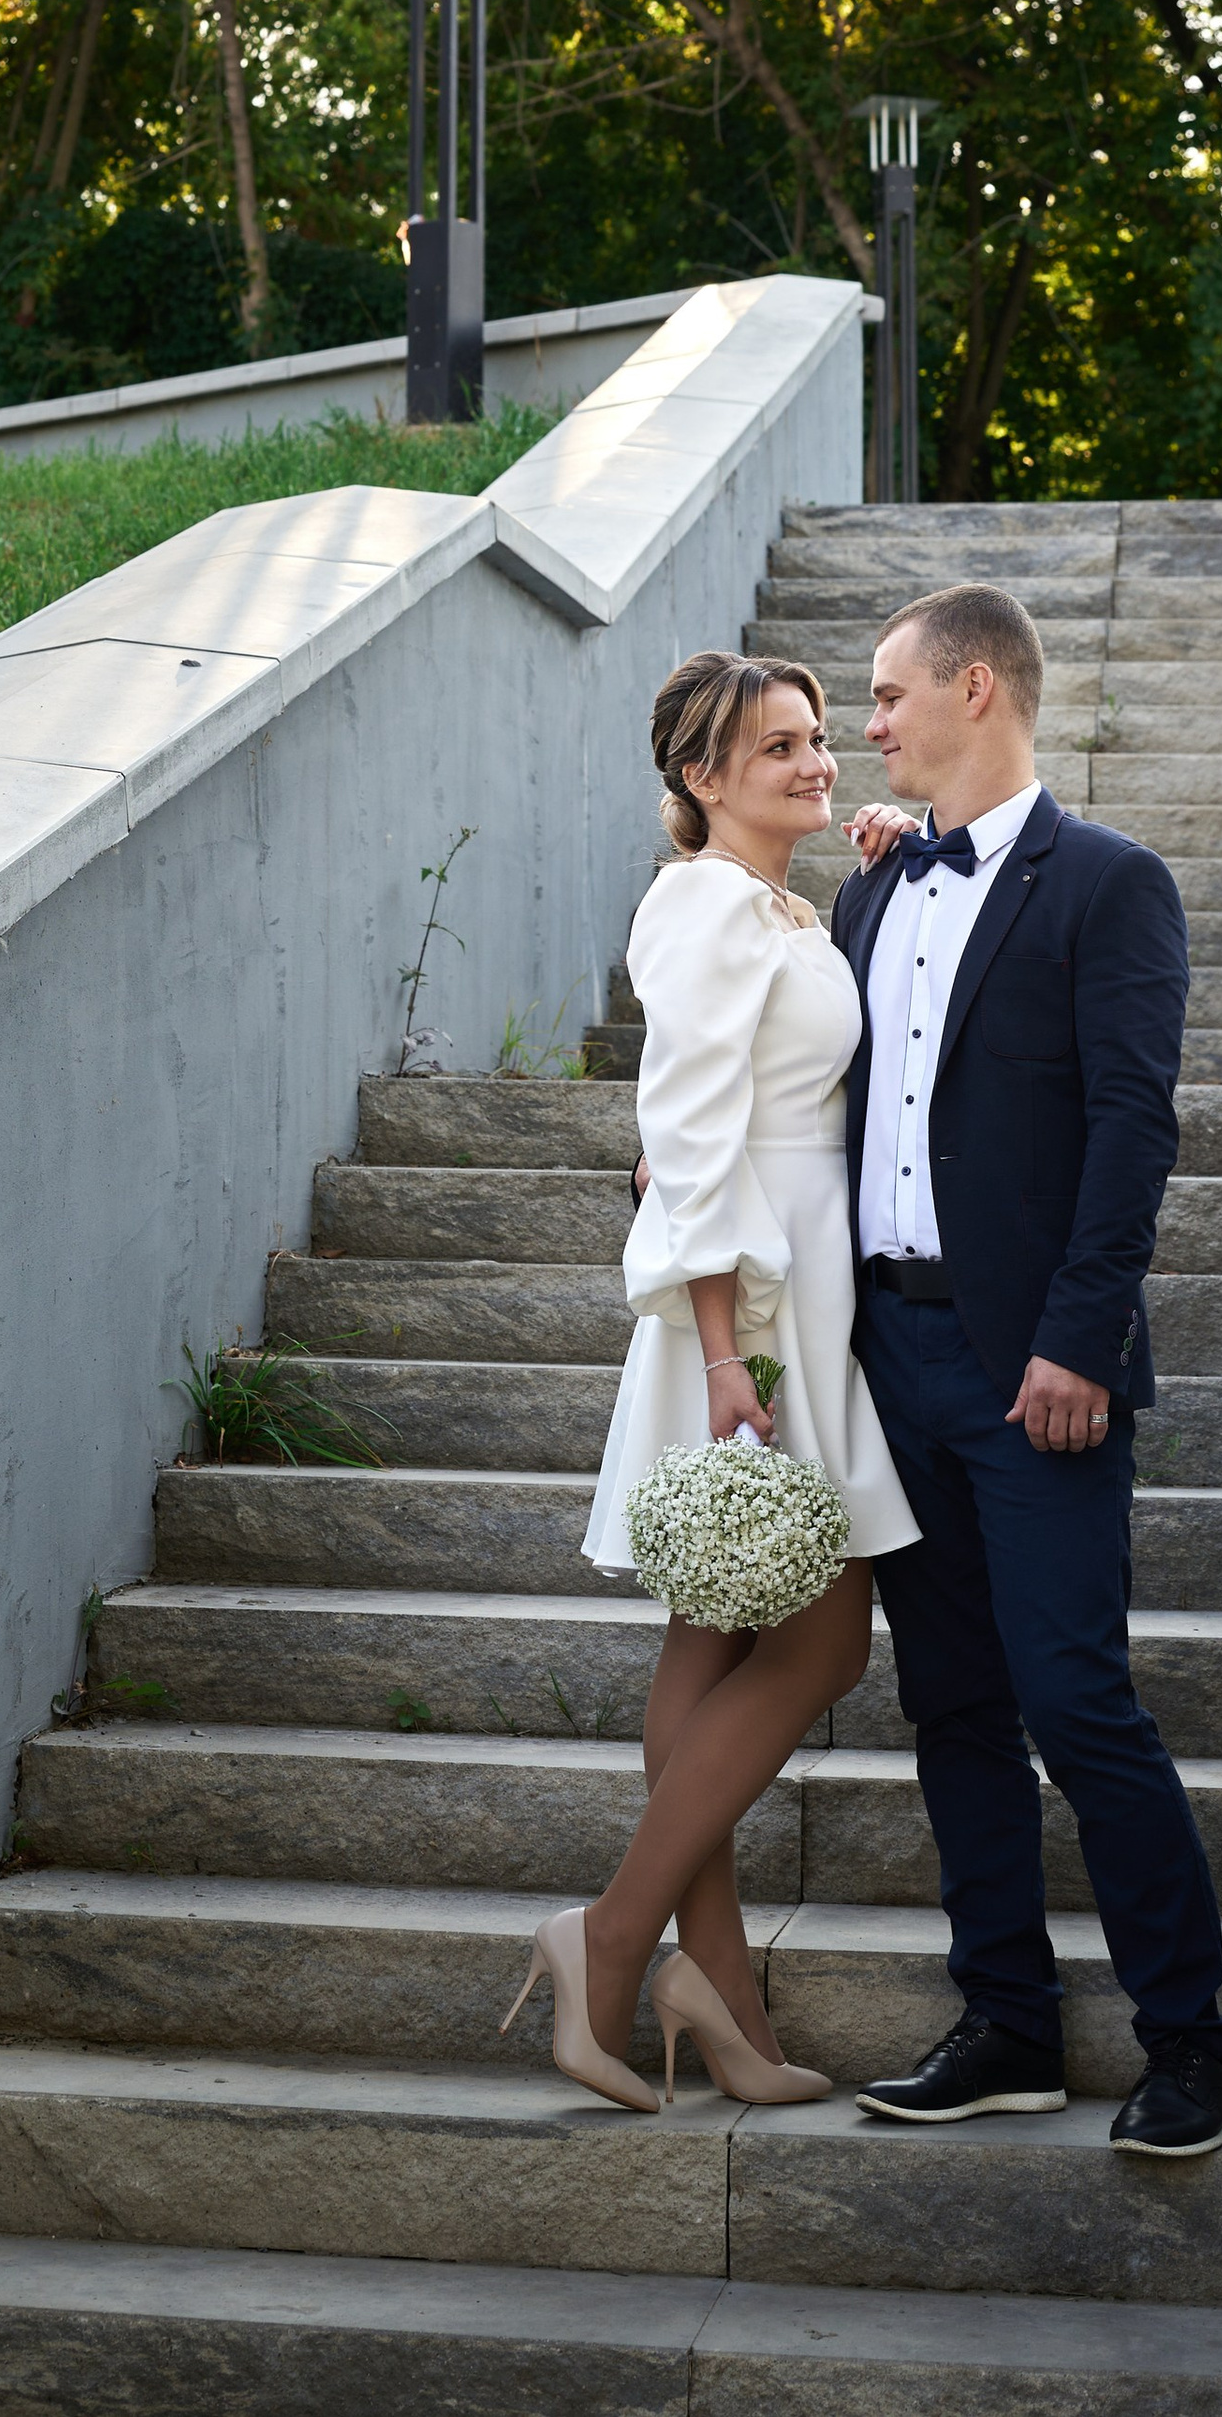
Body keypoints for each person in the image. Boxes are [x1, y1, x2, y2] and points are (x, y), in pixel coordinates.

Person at [835, 579, 1222, 2160]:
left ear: (979, 689)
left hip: (1033, 1373)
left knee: (1077, 1701)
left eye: (888, 695)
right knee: (949, 1703)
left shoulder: (1110, 885)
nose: (871, 726)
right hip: (890, 1356)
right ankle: (1006, 2019)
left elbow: (1136, 1127)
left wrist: (1080, 1334)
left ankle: (1188, 2043)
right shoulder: (876, 890)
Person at [499, 651, 920, 2112]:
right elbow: (682, 1136)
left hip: (795, 1279)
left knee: (711, 1647)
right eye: (780, 749)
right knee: (816, 1647)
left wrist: (885, 859)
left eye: (818, 738)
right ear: (701, 776)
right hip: (748, 1307)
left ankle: (715, 1987)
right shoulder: (700, 910)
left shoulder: (771, 904)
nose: (817, 761)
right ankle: (615, 1936)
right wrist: (729, 1350)